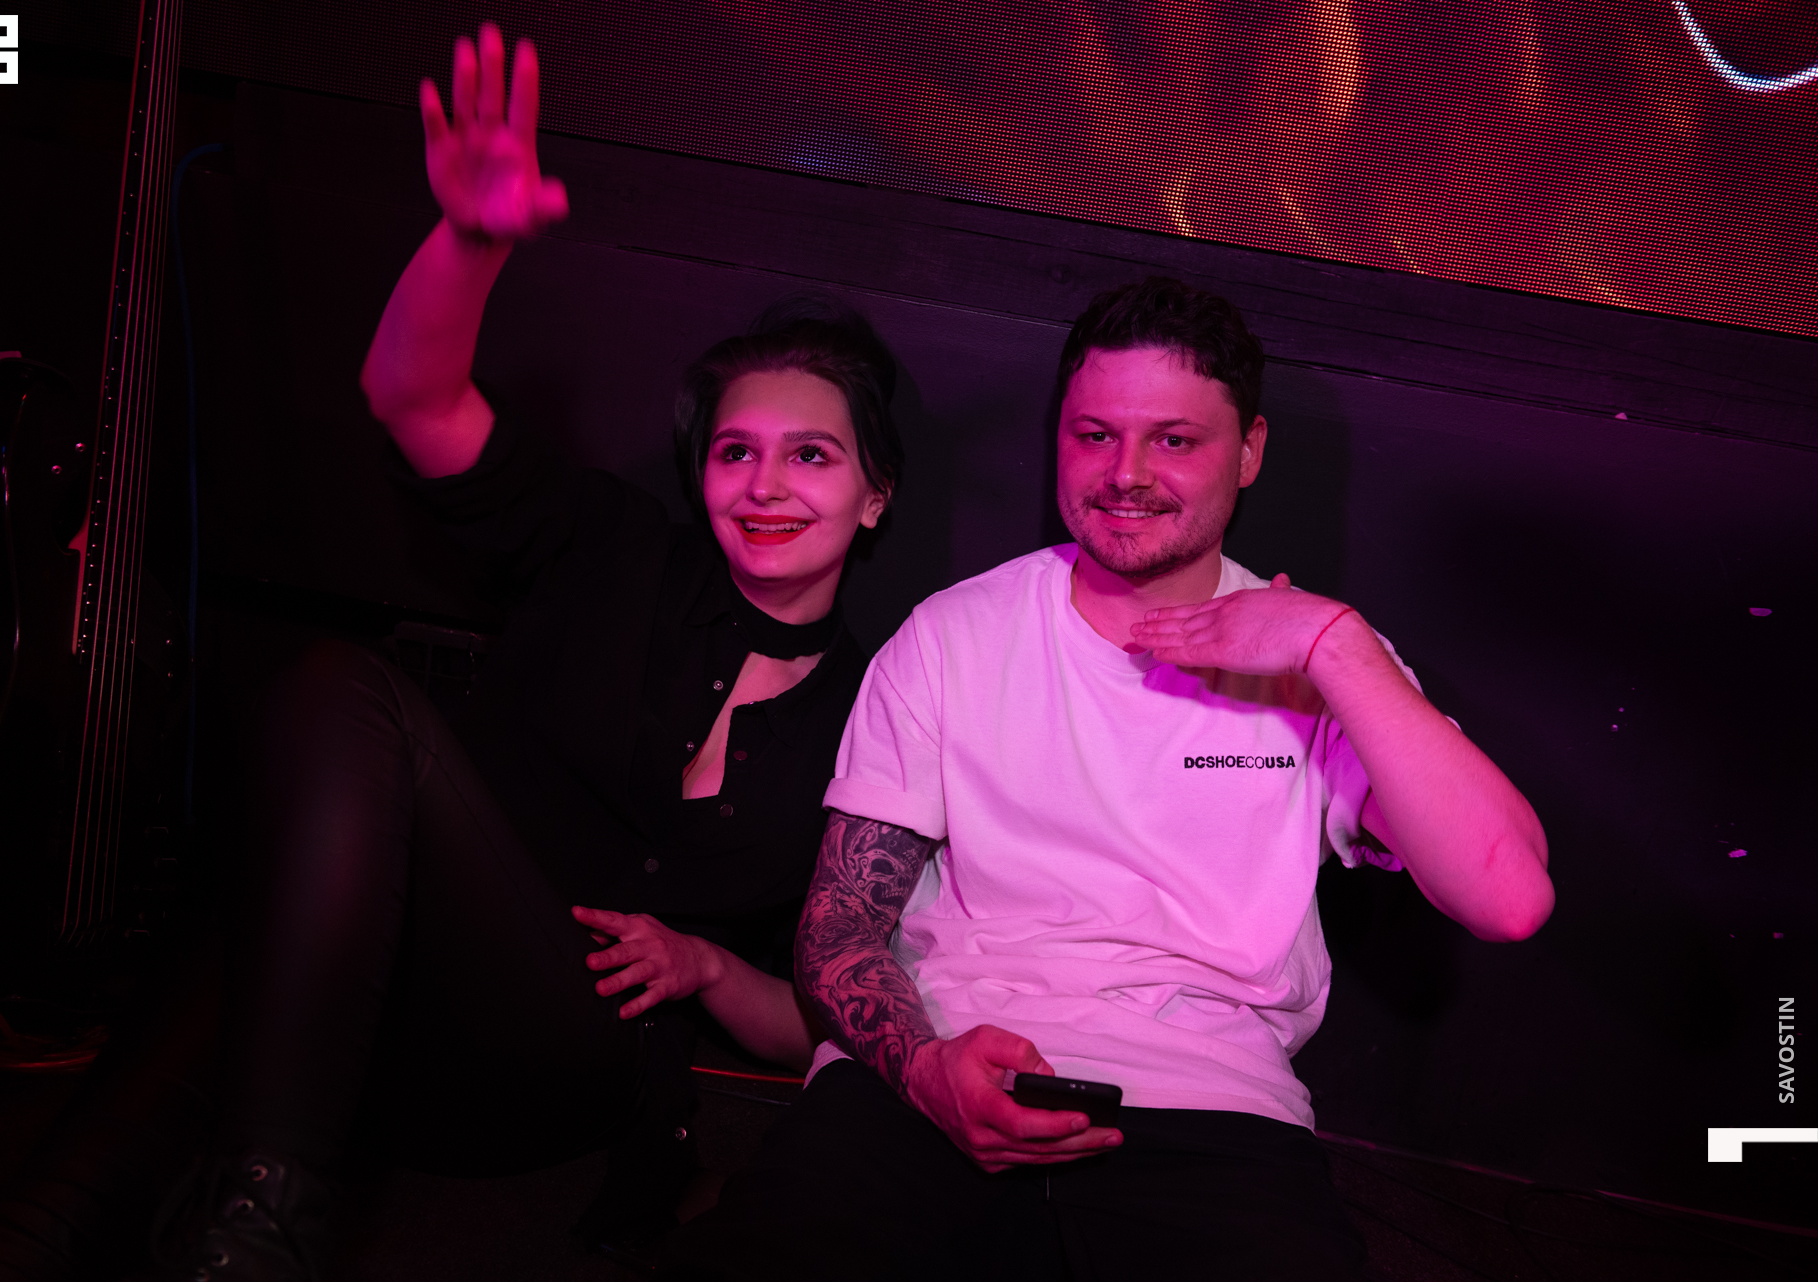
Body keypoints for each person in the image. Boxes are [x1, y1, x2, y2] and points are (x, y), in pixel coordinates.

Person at [154, 23, 904, 1281]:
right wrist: (472, 240)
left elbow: (820, 1025)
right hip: (395, 998)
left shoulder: (883, 713)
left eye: (812, 456)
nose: (767, 484)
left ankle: (258, 1214)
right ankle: (255, 1229)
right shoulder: (610, 549)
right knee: (340, 690)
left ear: (875, 497)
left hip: (571, 1069)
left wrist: (704, 961)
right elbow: (413, 401)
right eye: (736, 451)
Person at [663, 276, 1555, 1281]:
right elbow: (836, 929)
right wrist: (925, 1068)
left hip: (1212, 1117)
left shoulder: (1329, 665)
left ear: (1250, 450)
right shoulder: (955, 637)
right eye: (1095, 435)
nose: (1126, 474)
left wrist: (1333, 646)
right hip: (933, 1075)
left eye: (1174, 439)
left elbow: (1509, 897)